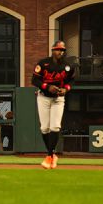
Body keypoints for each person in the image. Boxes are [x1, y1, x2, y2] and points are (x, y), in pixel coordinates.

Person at [32, 40, 75, 169]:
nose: (60, 52)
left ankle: (50, 155)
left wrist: (66, 89)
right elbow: (34, 79)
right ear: (52, 50)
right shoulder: (43, 63)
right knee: (44, 128)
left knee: (55, 127)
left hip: (58, 99)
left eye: (62, 50)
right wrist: (47, 86)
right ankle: (52, 155)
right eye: (58, 49)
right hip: (43, 97)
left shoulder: (68, 66)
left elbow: (72, 80)